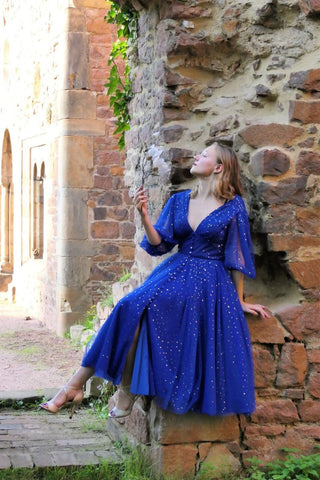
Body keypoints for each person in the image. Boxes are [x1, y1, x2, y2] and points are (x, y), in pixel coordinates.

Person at [40, 142, 270, 419]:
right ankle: (81, 384)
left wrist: (239, 300)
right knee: (127, 306)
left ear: (219, 167)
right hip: (176, 270)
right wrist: (144, 216)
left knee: (152, 313)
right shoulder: (180, 200)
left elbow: (237, 258)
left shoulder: (234, 208)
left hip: (210, 282)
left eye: (205, 155)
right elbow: (160, 244)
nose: (197, 156)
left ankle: (100, 390)